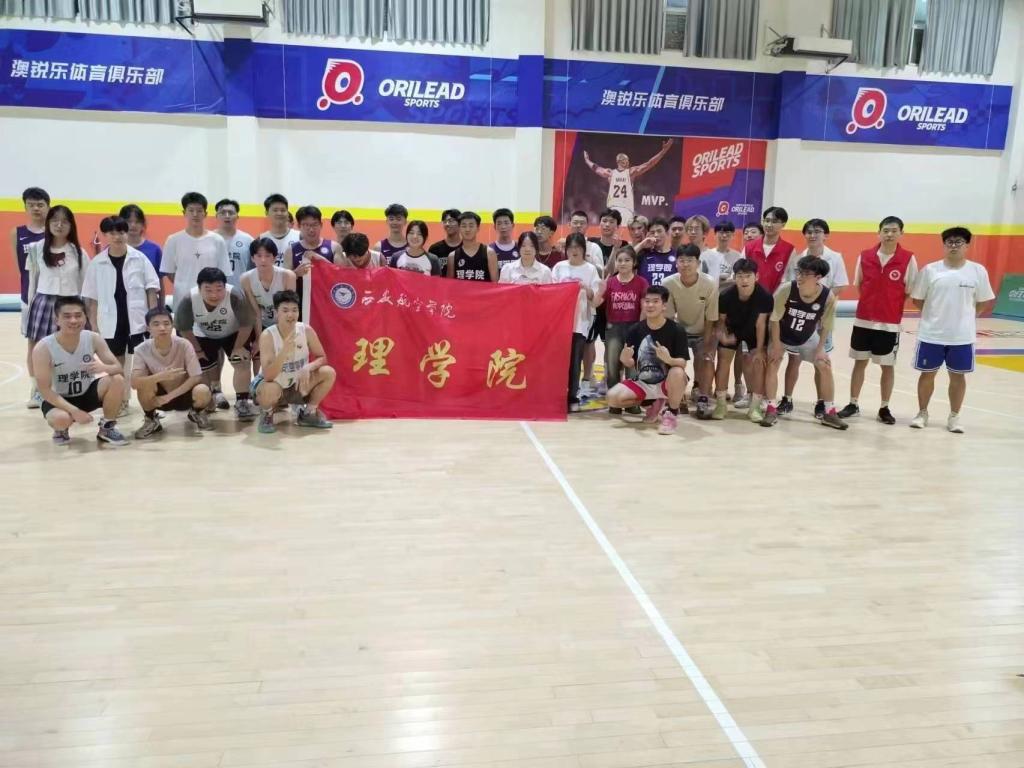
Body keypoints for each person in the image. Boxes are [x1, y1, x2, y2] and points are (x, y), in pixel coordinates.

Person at [908, 227, 995, 434]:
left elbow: (983, 301)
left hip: (962, 337)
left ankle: (954, 416)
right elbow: (918, 299)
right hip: (931, 334)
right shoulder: (930, 270)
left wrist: (965, 318)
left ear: (967, 245)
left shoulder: (977, 271)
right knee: (927, 375)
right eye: (950, 242)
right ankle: (922, 413)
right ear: (944, 245)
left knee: (958, 377)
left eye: (958, 242)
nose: (953, 246)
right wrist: (934, 316)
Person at [838, 216, 918, 425]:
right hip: (863, 320)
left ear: (901, 233)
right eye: (885, 230)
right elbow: (860, 284)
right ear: (879, 232)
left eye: (894, 230)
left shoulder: (908, 259)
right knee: (859, 363)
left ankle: (884, 407)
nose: (889, 234)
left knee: (887, 366)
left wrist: (888, 306)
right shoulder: (865, 256)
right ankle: (853, 403)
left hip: (889, 323)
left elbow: (908, 290)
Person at [81, 216, 160, 414]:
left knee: (143, 362)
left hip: (138, 320)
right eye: (112, 233)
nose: (117, 237)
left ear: (127, 233)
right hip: (110, 321)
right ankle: (121, 401)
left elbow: (151, 290)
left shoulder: (140, 259)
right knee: (115, 363)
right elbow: (92, 299)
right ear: (105, 235)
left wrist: (153, 319)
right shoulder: (97, 263)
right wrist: (94, 325)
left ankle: (150, 403)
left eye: (121, 232)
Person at [761, 255, 846, 430]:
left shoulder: (827, 297)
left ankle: (829, 412)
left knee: (825, 364)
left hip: (807, 337)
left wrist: (820, 349)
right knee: (773, 361)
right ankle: (771, 408)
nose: (799, 277)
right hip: (782, 334)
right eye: (799, 272)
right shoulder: (786, 289)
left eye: (805, 274)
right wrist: (776, 345)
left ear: (818, 277)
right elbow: (774, 319)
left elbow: (827, 325)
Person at [778, 219, 850, 418]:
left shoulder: (835, 258)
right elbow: (791, 285)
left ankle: (821, 402)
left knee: (821, 360)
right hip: (800, 318)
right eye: (809, 232)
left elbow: (840, 285)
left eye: (817, 231)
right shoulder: (798, 259)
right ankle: (787, 399)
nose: (812, 235)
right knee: (793, 360)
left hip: (820, 318)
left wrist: (819, 305)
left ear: (826, 235)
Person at [33, 296, 128, 446]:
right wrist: (75, 411)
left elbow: (118, 367)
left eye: (78, 315)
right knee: (61, 419)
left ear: (85, 317)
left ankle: (107, 428)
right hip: (57, 398)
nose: (73, 320)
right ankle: (61, 429)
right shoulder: (43, 348)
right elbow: (44, 390)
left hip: (85, 393)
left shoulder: (93, 338)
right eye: (67, 316)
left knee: (117, 379)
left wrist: (104, 368)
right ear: (57, 320)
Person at [25, 205, 90, 408]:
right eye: (54, 220)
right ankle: (37, 390)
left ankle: (67, 390)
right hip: (44, 303)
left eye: (64, 221)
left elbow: (85, 284)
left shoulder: (78, 252)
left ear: (71, 225)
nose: (59, 225)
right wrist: (29, 309)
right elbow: (32, 281)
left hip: (71, 305)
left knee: (69, 348)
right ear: (48, 224)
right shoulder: (36, 249)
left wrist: (86, 313)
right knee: (37, 348)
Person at [173, 267, 257, 419]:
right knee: (202, 370)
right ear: (199, 288)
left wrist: (238, 347)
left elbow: (247, 324)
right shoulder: (188, 300)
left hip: (233, 333)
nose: (214, 295)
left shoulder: (235, 296)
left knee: (241, 361)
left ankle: (242, 402)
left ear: (225, 287)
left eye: (219, 289)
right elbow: (184, 328)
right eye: (208, 290)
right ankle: (209, 397)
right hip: (203, 335)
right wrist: (197, 351)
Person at [606, 285, 689, 435]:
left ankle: (671, 414)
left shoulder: (676, 330)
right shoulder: (635, 330)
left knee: (677, 372)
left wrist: (669, 359)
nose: (650, 305)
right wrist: (625, 359)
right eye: (647, 301)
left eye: (655, 301)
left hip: (667, 382)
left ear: (664, 306)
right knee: (612, 398)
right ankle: (652, 403)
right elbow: (631, 362)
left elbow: (682, 363)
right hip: (644, 382)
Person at [253, 290, 336, 433]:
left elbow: (322, 357)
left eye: (294, 310)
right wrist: (284, 351)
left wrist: (308, 367)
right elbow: (268, 376)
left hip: (297, 385)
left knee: (328, 373)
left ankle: (308, 413)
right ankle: (267, 414)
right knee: (269, 388)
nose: (290, 315)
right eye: (285, 310)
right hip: (274, 385)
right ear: (276, 312)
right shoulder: (268, 335)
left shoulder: (306, 330)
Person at [131, 306, 213, 438]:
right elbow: (134, 383)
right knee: (144, 385)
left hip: (183, 394)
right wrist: (159, 377)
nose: (162, 328)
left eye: (166, 323)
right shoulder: (141, 349)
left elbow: (196, 376)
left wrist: (169, 397)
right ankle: (151, 419)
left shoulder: (184, 344)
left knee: (203, 390)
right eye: (156, 324)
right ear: (148, 328)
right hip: (158, 397)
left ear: (172, 325)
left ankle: (196, 412)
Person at [713, 258, 772, 422]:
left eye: (748, 276)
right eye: (740, 276)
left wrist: (759, 350)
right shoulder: (725, 296)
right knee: (723, 359)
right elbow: (721, 321)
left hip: (754, 332)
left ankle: (755, 407)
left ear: (756, 277)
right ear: (734, 277)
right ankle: (721, 404)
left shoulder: (765, 296)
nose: (744, 280)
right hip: (733, 330)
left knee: (759, 361)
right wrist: (723, 336)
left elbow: (761, 324)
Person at [663, 244, 719, 418]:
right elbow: (668, 318)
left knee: (706, 359)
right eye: (681, 260)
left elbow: (711, 317)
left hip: (703, 331)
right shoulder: (668, 283)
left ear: (698, 263)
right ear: (676, 263)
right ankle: (677, 397)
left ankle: (703, 398)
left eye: (690, 260)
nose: (685, 264)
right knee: (672, 361)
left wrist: (707, 345)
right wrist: (670, 344)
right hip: (679, 331)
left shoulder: (709, 284)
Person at [595, 245, 648, 413]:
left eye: (627, 260)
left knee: (632, 367)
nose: (623, 263)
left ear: (634, 262)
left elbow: (644, 308)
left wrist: (639, 330)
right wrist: (600, 291)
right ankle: (615, 402)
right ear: (615, 263)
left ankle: (632, 403)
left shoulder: (641, 282)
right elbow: (595, 304)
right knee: (612, 367)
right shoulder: (610, 282)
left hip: (634, 328)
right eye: (620, 260)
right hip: (614, 328)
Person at [552, 233, 601, 412]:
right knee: (558, 361)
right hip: (559, 323)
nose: (574, 251)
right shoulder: (559, 267)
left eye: (578, 247)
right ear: (566, 250)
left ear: (584, 250)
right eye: (571, 247)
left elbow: (595, 297)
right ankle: (556, 395)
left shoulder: (590, 269)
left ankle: (572, 397)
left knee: (575, 362)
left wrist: (585, 288)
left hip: (580, 323)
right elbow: (550, 291)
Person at [11, 186, 49, 407]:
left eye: (40, 204)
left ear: (48, 207)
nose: (36, 208)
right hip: (30, 297)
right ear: (25, 207)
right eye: (31, 205)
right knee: (33, 344)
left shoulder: (55, 232)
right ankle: (36, 389)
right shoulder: (17, 233)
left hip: (53, 297)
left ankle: (55, 387)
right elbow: (21, 269)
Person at [161, 192, 231, 309]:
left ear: (205, 214)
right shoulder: (173, 240)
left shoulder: (217, 240)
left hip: (211, 301)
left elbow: (223, 272)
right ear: (184, 213)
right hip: (183, 300)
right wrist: (184, 285)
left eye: (199, 210)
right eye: (191, 210)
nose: (195, 214)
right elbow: (170, 272)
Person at [240, 238, 297, 374]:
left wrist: (281, 336)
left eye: (267, 255)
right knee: (259, 357)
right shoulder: (246, 279)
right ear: (252, 258)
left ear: (275, 258)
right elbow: (255, 312)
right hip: (261, 324)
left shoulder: (287, 276)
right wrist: (259, 338)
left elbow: (288, 309)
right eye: (259, 256)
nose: (263, 260)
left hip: (284, 322)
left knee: (284, 357)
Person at [583, 139, 674, 223]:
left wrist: (587, 161)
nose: (627, 162)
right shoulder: (629, 172)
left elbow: (596, 168)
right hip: (624, 209)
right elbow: (649, 164)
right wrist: (663, 151)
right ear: (622, 161)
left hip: (613, 209)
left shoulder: (610, 173)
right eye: (626, 160)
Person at [744, 206, 794, 295]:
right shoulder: (749, 247)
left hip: (777, 298)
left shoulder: (789, 250)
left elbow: (790, 279)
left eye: (774, 221)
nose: (769, 225)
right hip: (750, 297)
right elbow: (741, 273)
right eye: (767, 221)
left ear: (783, 224)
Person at [291, 205, 340, 280]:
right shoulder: (291, 250)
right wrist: (296, 273)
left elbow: (342, 276)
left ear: (321, 225)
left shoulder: (334, 247)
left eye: (315, 224)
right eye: (306, 225)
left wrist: (320, 259)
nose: (311, 229)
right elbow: (283, 281)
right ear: (299, 226)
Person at [214, 199, 254, 288]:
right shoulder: (208, 239)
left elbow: (254, 269)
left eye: (231, 213)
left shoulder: (248, 240)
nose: (227, 216)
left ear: (237, 216)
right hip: (213, 291)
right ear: (216, 216)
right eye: (223, 213)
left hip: (240, 292)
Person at [448, 212, 498, 282]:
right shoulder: (452, 256)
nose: (467, 229)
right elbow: (450, 284)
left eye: (471, 226)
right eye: (464, 226)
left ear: (478, 228)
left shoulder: (489, 253)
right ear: (459, 228)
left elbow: (495, 284)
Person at [118, 204, 163, 277]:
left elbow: (158, 279)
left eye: (137, 222)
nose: (133, 225)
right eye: (128, 221)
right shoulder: (112, 249)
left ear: (143, 224)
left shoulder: (155, 250)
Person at [260, 194, 300, 266]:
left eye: (283, 210)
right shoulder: (261, 239)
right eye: (275, 210)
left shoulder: (299, 237)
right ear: (266, 213)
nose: (279, 213)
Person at [636, 218, 675, 287]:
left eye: (659, 231)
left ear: (667, 233)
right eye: (652, 232)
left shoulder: (676, 255)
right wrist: (641, 245)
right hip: (647, 293)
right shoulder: (643, 254)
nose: (656, 235)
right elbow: (626, 257)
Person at [702, 221, 742, 285]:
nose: (724, 235)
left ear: (733, 236)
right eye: (721, 232)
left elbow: (737, 279)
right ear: (715, 235)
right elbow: (703, 278)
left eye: (727, 233)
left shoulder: (738, 256)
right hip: (710, 290)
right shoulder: (706, 255)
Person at [590, 208, 628, 274]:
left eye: (611, 222)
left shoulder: (624, 245)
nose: (607, 224)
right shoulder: (591, 243)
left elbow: (610, 272)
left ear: (618, 226)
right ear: (599, 224)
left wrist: (615, 249)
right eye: (604, 221)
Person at [428, 208, 462, 275]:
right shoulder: (434, 249)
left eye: (451, 221)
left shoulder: (466, 247)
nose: (447, 224)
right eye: (445, 221)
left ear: (460, 223)